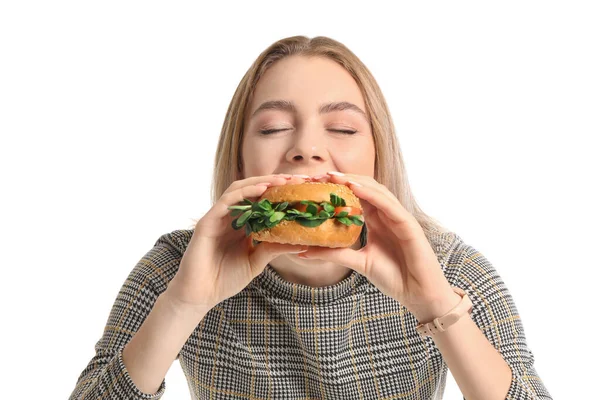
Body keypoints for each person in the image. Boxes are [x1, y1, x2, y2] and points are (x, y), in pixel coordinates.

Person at [69, 35, 552, 399]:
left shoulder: (447, 267)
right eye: (274, 128)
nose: (305, 149)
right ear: (240, 161)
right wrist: (182, 306)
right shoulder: (179, 264)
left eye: (342, 127)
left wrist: (437, 308)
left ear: (378, 157)